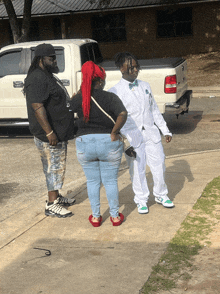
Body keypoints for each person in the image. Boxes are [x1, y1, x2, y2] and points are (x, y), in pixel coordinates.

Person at [109, 52, 174, 214]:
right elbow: (115, 120)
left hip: (151, 133)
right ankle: (141, 199)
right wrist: (125, 143)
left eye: (136, 66)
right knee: (137, 170)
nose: (135, 69)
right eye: (130, 67)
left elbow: (154, 110)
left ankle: (161, 194)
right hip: (132, 136)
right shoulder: (115, 91)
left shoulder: (145, 86)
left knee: (159, 164)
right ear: (120, 68)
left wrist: (164, 129)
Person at [70, 61, 127, 227]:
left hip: (84, 143)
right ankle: (115, 217)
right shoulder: (110, 97)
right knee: (110, 181)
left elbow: (69, 110)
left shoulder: (79, 98)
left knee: (92, 182)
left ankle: (96, 217)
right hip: (108, 142)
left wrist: (78, 95)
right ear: (100, 81)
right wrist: (114, 132)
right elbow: (122, 114)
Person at [24, 43, 76, 218]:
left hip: (58, 132)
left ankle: (57, 197)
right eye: (51, 58)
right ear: (41, 59)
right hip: (49, 135)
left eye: (55, 57)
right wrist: (49, 132)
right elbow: (38, 107)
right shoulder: (37, 78)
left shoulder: (48, 75)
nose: (54, 61)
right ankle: (52, 204)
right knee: (53, 167)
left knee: (56, 166)